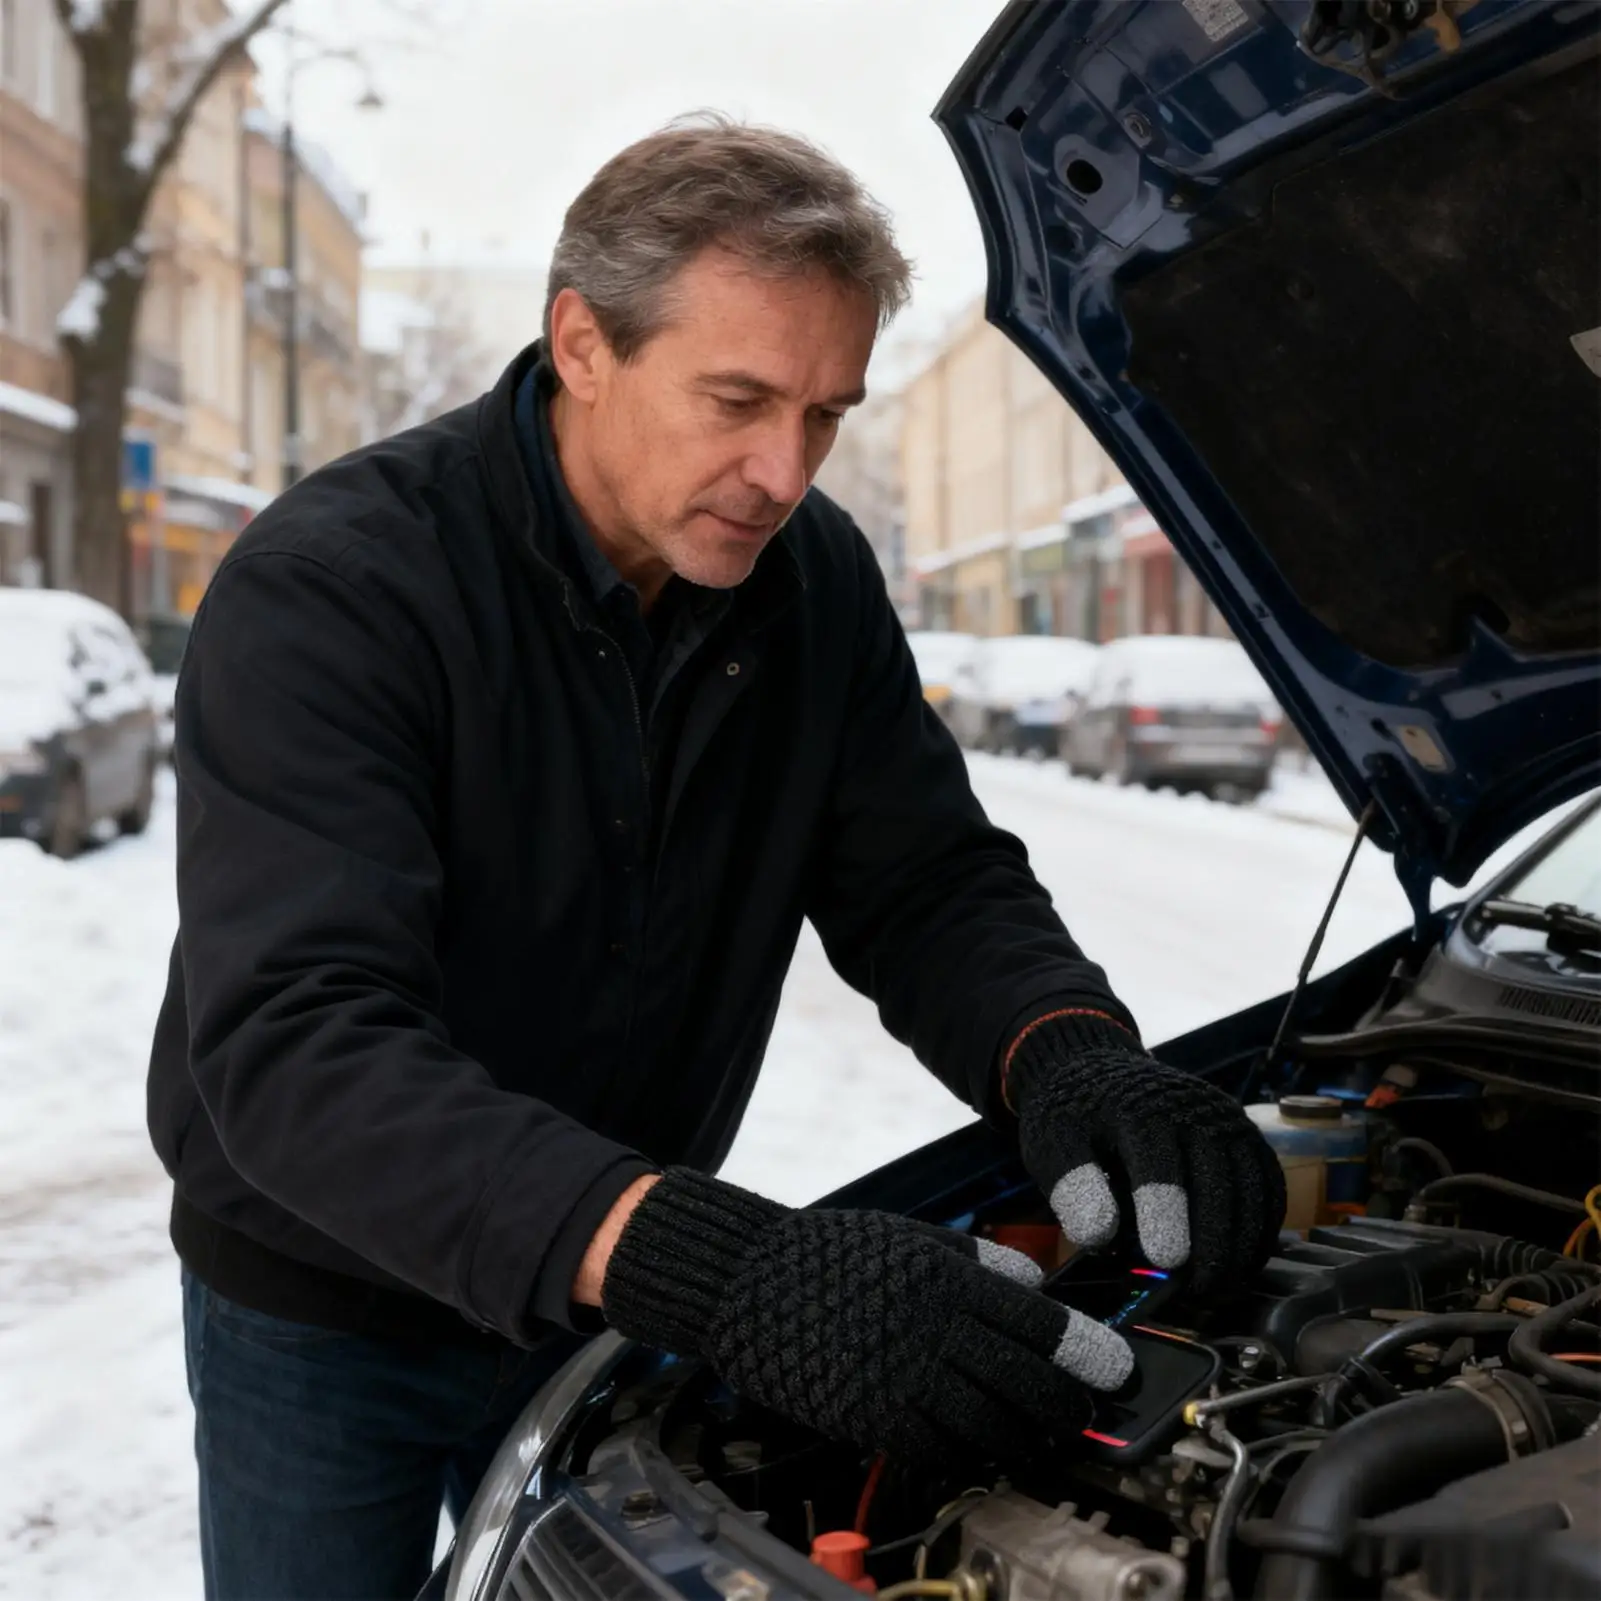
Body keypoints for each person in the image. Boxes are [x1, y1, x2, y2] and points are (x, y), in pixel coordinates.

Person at [148, 114, 1286, 1599]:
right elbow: (302, 1052)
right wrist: (724, 1269)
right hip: (327, 1307)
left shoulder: (808, 586)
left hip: (604, 1284)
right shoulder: (336, 590)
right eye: (738, 399)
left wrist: (1063, 1051)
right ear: (582, 343)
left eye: (824, 416)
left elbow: (924, 879)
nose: (781, 469)